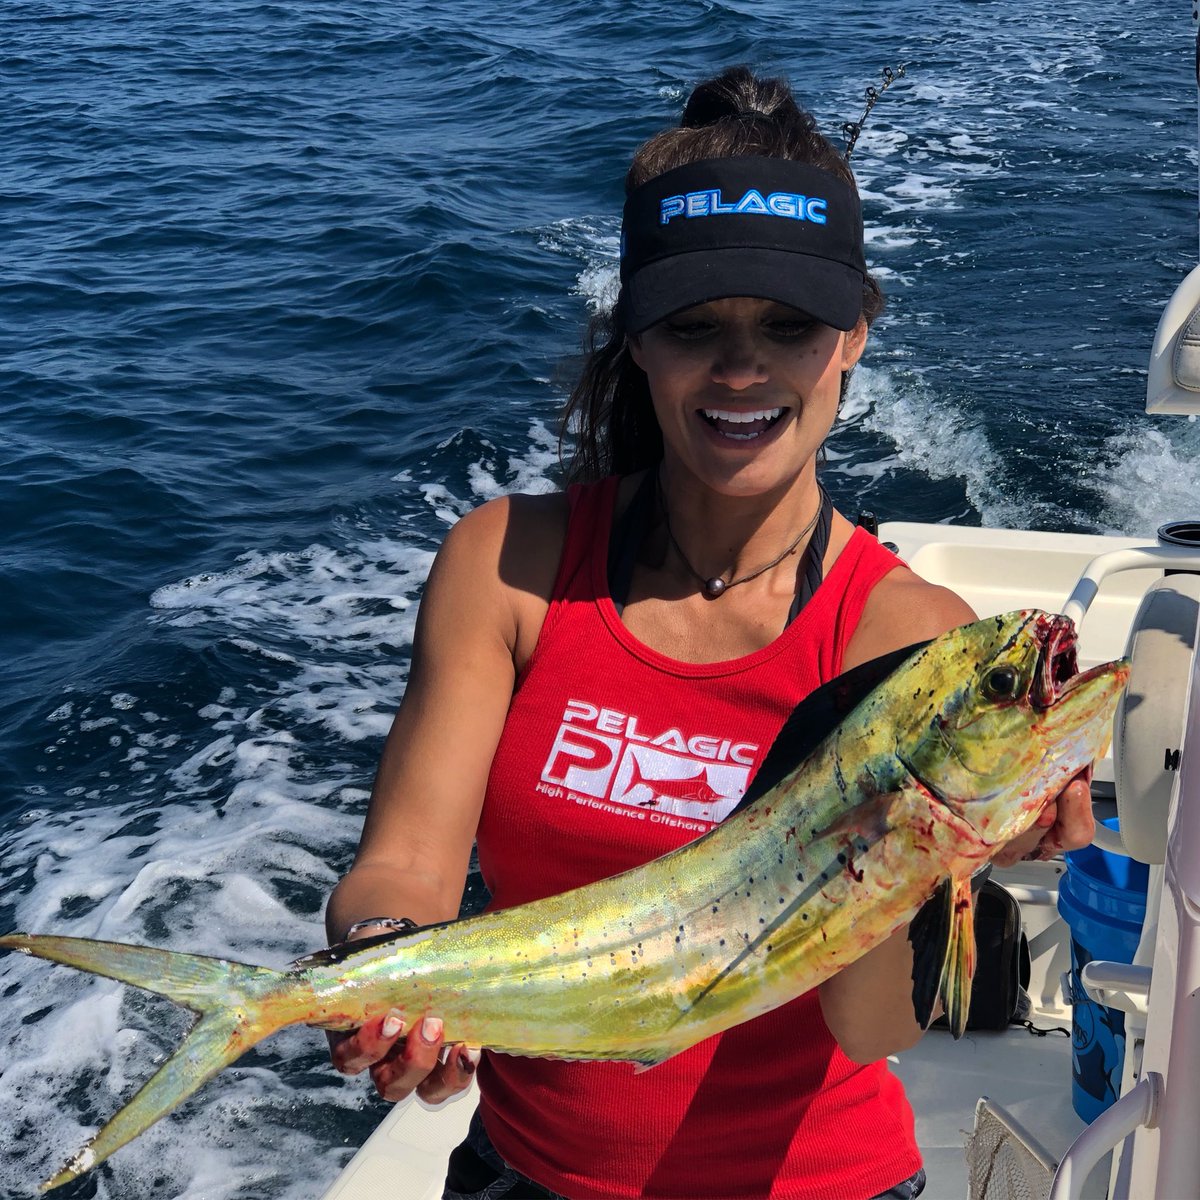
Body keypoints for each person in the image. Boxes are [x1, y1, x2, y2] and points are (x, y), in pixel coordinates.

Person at [324, 66, 1095, 1200]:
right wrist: (381, 970)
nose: (742, 368)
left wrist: (936, 856)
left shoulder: (912, 641)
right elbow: (403, 865)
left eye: (790, 325)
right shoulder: (508, 567)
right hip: (522, 1173)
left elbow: (874, 1030)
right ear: (636, 339)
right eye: (695, 326)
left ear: (855, 335)